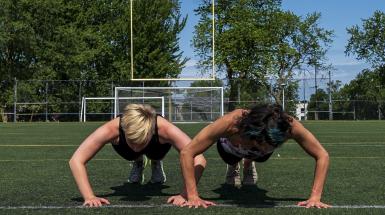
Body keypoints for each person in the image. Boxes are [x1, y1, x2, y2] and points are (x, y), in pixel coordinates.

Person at [177, 104, 330, 208]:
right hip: (229, 149)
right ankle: (233, 166)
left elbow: (322, 155)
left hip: (258, 156)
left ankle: (249, 163)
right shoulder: (231, 122)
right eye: (264, 143)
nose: (268, 147)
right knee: (231, 159)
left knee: (260, 156)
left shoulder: (290, 126)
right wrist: (192, 195)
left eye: (273, 145)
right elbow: (187, 152)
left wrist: (315, 197)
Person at [69, 104, 206, 207]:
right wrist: (89, 196)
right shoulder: (111, 128)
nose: (136, 147)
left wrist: (185, 193)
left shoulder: (165, 128)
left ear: (151, 132)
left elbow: (199, 158)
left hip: (157, 148)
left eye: (141, 142)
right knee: (132, 154)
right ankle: (138, 161)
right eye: (132, 141)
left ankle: (156, 161)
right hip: (126, 151)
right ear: (124, 130)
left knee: (155, 154)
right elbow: (76, 160)